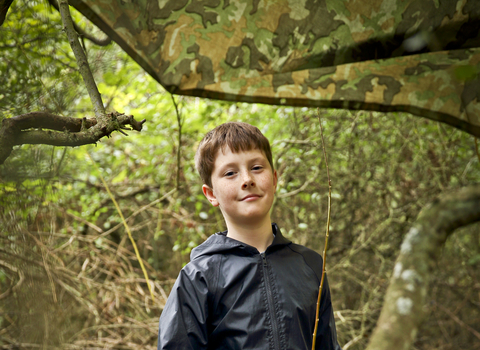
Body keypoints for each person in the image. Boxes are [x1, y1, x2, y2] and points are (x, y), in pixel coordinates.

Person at [157, 122, 341, 350]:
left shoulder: (311, 266)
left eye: (256, 168)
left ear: (274, 179)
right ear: (211, 194)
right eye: (230, 173)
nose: (247, 179)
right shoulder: (199, 277)